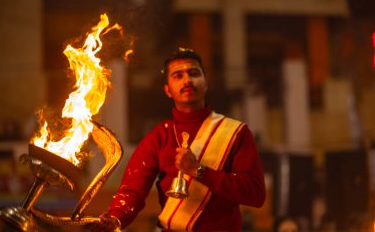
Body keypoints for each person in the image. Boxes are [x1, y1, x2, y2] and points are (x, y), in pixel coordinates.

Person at [90, 47, 266, 232]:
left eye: (194, 73)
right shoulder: (159, 137)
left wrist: (198, 170)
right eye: (178, 75)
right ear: (168, 90)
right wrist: (115, 219)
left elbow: (255, 194)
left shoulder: (236, 133)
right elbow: (132, 191)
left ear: (206, 83)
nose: (187, 80)